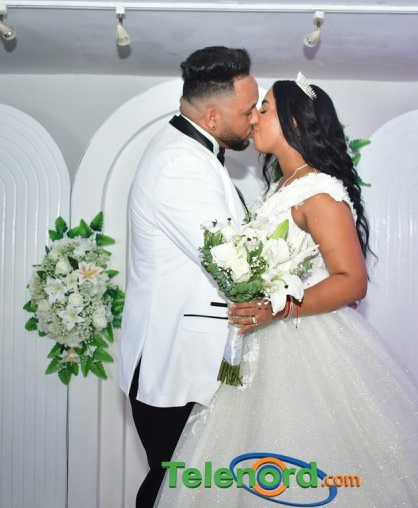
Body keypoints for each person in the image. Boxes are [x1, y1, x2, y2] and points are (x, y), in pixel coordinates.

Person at [155, 75, 418, 506]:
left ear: (294, 122)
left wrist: (277, 309)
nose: (253, 118)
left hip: (305, 341)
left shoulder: (320, 192)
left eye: (265, 108)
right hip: (259, 345)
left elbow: (352, 280)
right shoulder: (280, 189)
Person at [118, 46, 259, 508]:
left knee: (187, 490)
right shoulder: (180, 163)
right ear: (213, 117)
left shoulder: (194, 154)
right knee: (172, 491)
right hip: (173, 363)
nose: (254, 119)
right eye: (247, 111)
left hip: (182, 359)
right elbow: (233, 264)